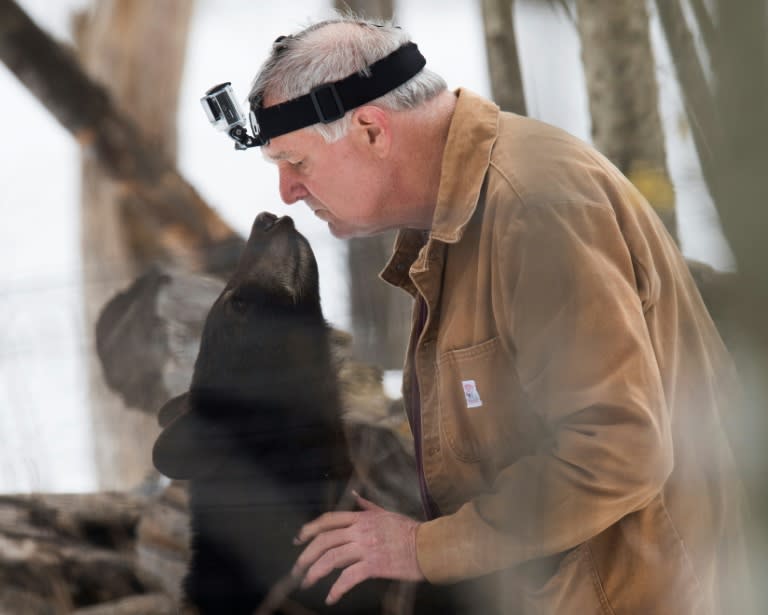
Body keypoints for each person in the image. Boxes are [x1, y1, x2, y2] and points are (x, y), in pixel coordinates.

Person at [244, 15, 752, 614]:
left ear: (371, 131)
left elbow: (617, 450)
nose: (286, 194)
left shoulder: (534, 208)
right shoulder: (468, 212)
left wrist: (422, 549)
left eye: (295, 163)